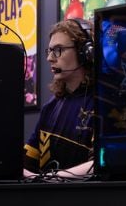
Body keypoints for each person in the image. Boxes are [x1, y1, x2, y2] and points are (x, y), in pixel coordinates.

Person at [23, 18, 96, 177]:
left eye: (58, 50)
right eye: (49, 51)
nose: (50, 58)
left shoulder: (102, 104)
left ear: (85, 53)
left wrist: (50, 179)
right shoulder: (50, 107)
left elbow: (100, 164)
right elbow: (28, 161)